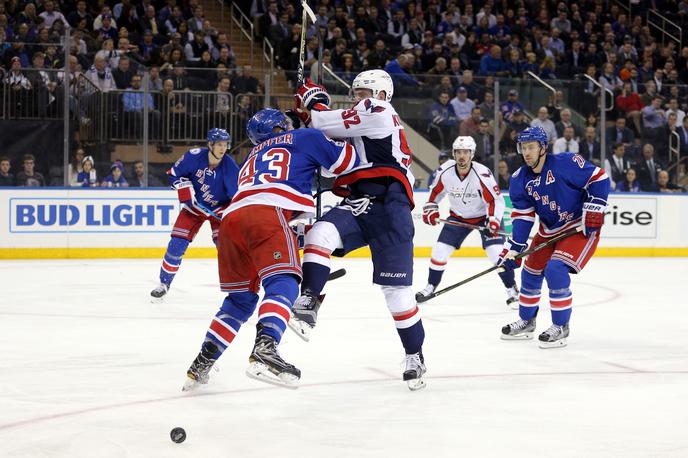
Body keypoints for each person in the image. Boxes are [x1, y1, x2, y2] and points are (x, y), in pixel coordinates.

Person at [182, 109, 358, 390]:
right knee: (284, 282)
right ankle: (265, 349)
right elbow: (349, 160)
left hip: (231, 221)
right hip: (267, 213)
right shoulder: (304, 136)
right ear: (280, 127)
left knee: (239, 302)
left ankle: (201, 364)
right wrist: (321, 122)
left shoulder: (252, 157)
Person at [289, 70, 427, 390]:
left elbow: (326, 121)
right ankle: (310, 299)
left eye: (362, 91)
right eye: (355, 92)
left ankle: (414, 355)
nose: (356, 98)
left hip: (390, 203)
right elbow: (328, 161)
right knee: (319, 234)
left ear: (381, 94)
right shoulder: (358, 125)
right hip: (359, 200)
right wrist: (303, 123)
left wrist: (315, 103)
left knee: (397, 294)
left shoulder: (379, 112)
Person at [498, 126, 610, 348]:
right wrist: (515, 247)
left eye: (531, 147)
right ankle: (527, 321)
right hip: (549, 230)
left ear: (543, 148)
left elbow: (599, 178)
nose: (526, 152)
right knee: (530, 272)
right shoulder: (519, 179)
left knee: (555, 269)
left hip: (578, 228)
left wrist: (595, 207)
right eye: (523, 147)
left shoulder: (565, 163)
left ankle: (561, 326)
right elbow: (523, 217)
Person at [416, 136, 519, 308]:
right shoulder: (445, 171)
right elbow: (435, 195)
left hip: (485, 217)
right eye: (458, 152)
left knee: (496, 252)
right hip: (458, 217)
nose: (461, 156)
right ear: (454, 154)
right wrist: (431, 208)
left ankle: (512, 290)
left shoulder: (482, 173)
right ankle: (430, 286)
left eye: (466, 152)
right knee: (439, 251)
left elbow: (496, 200)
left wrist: (493, 221)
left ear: (472, 154)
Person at [150, 129, 239, 301]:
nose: (223, 148)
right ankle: (164, 283)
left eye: (225, 144)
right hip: (193, 209)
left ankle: (237, 289)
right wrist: (184, 187)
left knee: (226, 249)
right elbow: (174, 175)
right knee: (176, 244)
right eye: (219, 144)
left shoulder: (230, 166)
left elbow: (236, 197)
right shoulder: (193, 156)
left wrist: (225, 212)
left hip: (218, 211)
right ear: (210, 144)